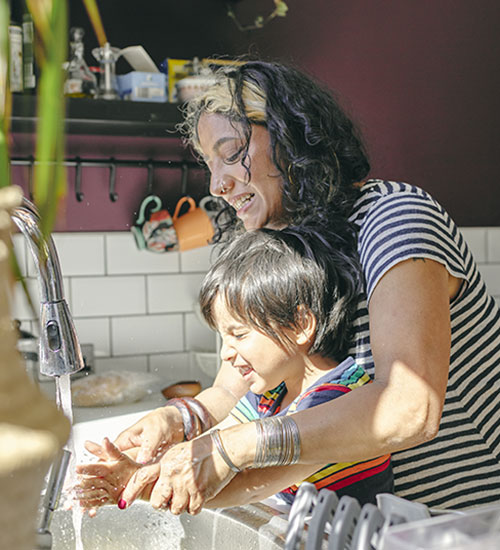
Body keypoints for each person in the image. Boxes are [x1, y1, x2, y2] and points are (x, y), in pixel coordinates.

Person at [111, 60, 500, 513]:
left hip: (466, 519)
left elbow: (407, 408)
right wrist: (176, 421)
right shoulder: (285, 245)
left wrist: (234, 447)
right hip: (378, 521)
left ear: (291, 136)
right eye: (208, 163)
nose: (217, 185)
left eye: (231, 150)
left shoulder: (394, 219)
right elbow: (230, 391)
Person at [75, 226, 393, 514]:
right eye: (223, 337)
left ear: (300, 325)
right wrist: (144, 468)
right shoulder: (270, 395)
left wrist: (137, 485)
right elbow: (209, 455)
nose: (226, 354)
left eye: (239, 334)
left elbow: (249, 484)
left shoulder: (340, 397)